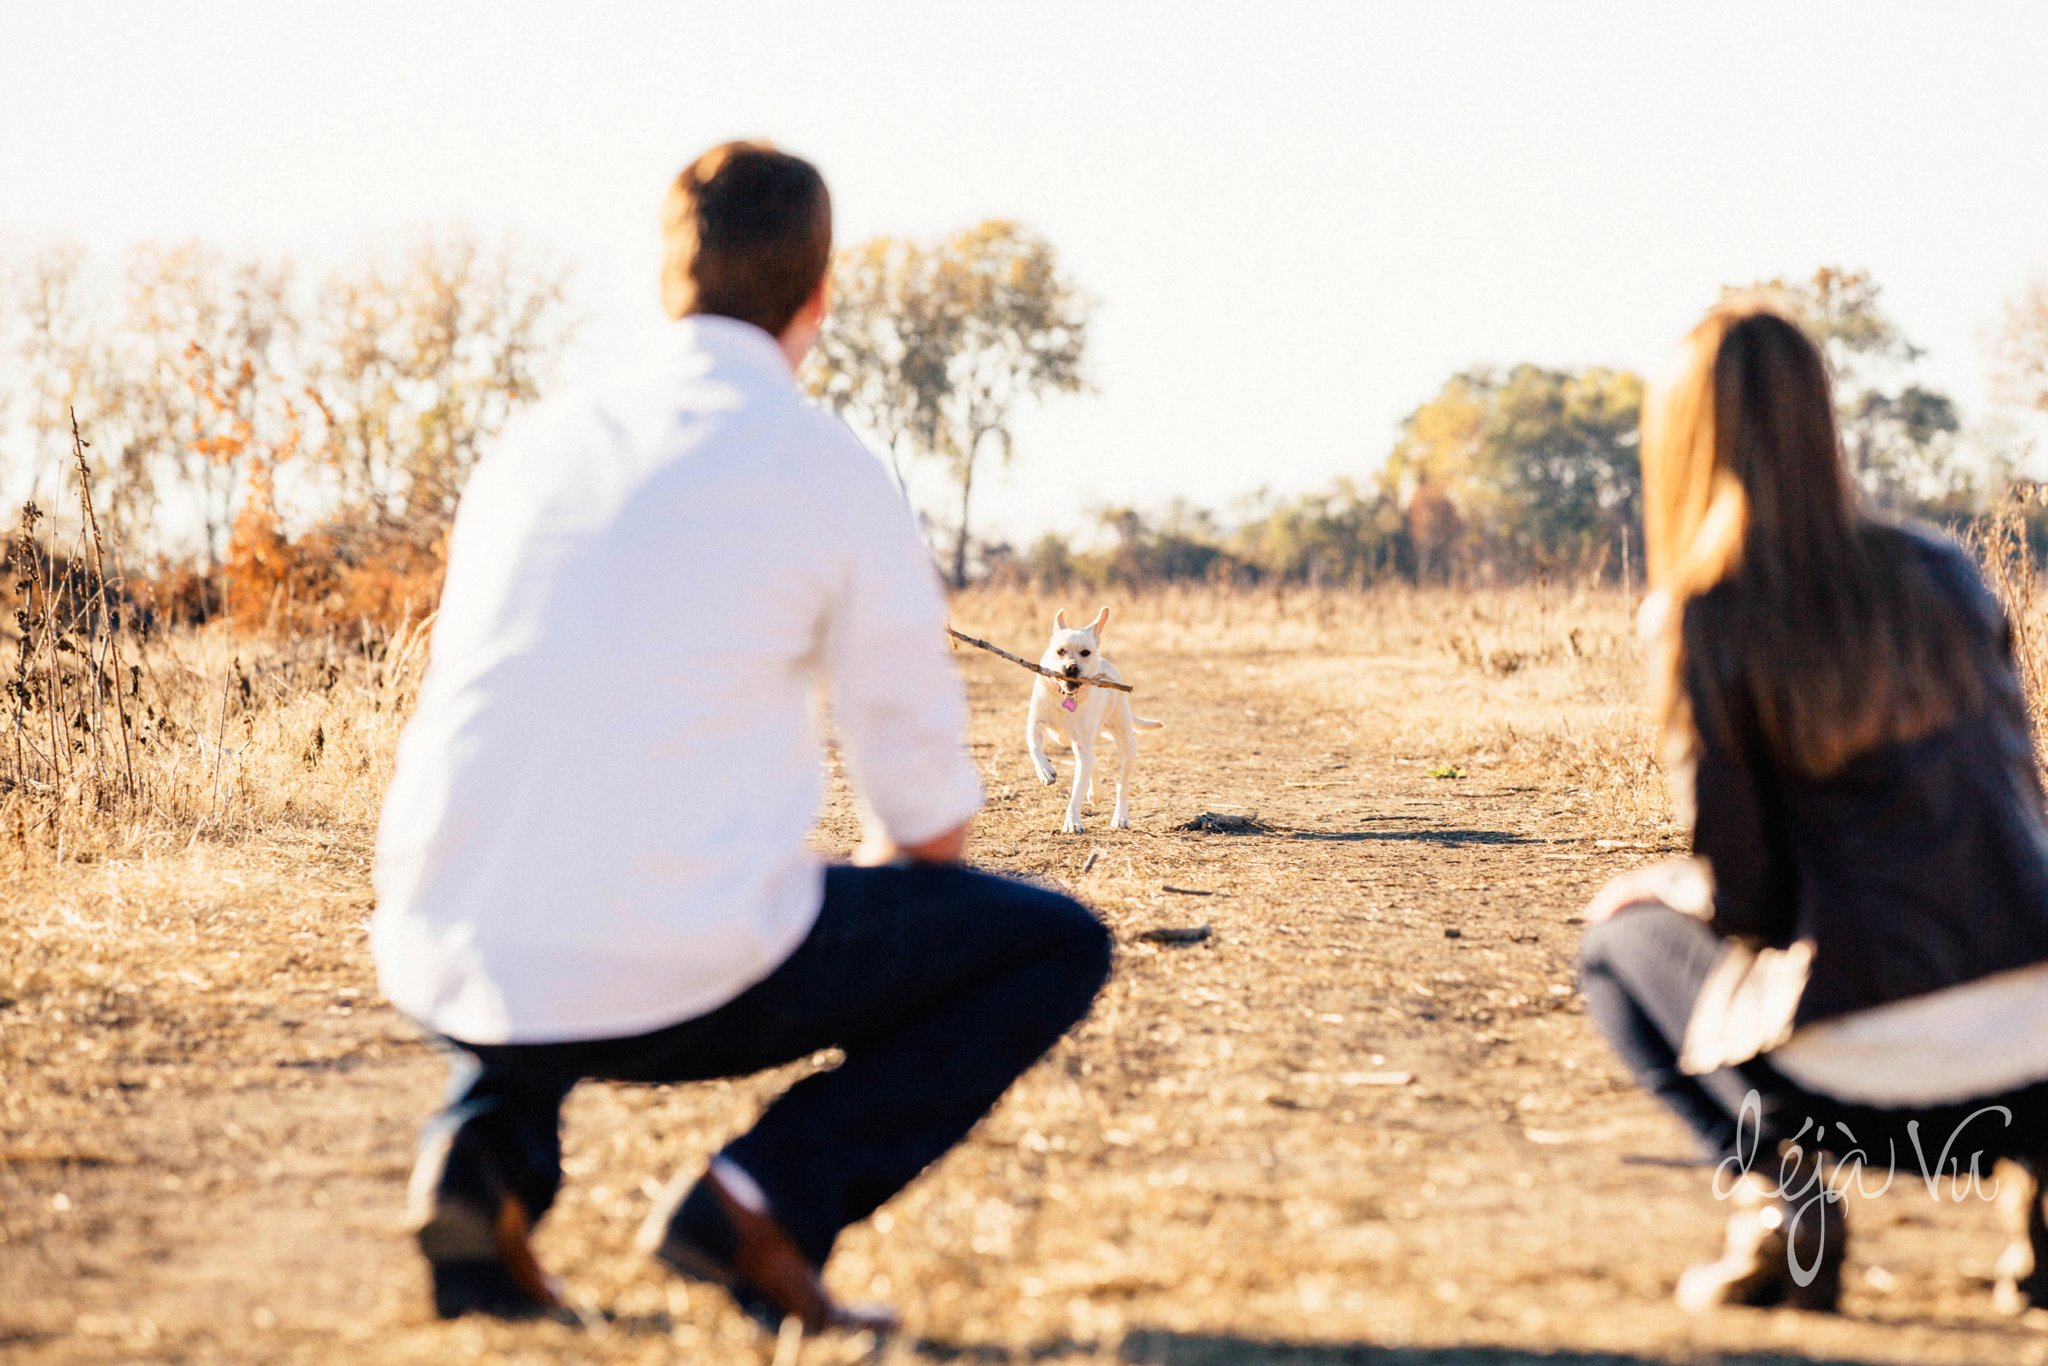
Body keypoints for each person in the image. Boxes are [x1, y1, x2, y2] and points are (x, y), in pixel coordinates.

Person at [369, 141, 1112, 1333]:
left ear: (665, 280)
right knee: (1052, 943)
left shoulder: (533, 451)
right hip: (674, 967)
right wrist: (863, 933)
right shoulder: (823, 466)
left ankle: (480, 1163)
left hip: (443, 937)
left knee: (564, 861)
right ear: (820, 296)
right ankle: (759, 1199)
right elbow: (927, 822)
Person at [1577, 298, 2048, 1314]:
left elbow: (1746, 899)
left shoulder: (1707, 607)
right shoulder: (1945, 570)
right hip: (2038, 1075)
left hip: (1867, 1104)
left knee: (1615, 940)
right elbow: (2018, 815)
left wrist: (1675, 888)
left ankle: (1782, 1209)